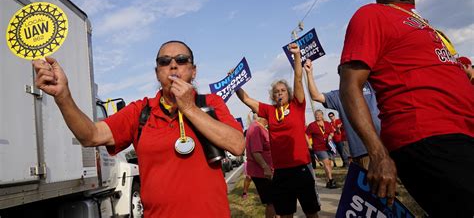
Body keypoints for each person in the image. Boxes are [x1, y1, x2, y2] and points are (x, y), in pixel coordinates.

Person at [33, 40, 245, 217]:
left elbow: (237, 145)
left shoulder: (210, 103)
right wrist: (63, 96)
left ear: (193, 70)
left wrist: (189, 107)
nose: (173, 66)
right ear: (157, 72)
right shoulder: (140, 111)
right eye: (164, 62)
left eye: (181, 60)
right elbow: (91, 136)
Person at [339, 0, 474, 216]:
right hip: (429, 139)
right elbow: (349, 86)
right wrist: (378, 154)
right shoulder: (370, 15)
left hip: (463, 133)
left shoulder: (421, 22)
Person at [236, 43, 320, 218]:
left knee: (311, 212)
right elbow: (248, 100)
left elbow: (298, 78)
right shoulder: (269, 111)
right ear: (272, 96)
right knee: (285, 214)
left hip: (301, 169)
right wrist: (235, 85)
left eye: (282, 90)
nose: (279, 93)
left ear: (288, 93)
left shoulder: (297, 105)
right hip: (280, 172)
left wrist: (297, 55)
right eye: (276, 92)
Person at [304, 59, 381, 169]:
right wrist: (309, 73)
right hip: (363, 150)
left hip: (387, 144)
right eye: (345, 72)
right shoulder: (338, 95)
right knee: (374, 185)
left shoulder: (371, 85)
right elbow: (316, 96)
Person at [245, 114, 276, 218]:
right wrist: (266, 168)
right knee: (272, 202)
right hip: (261, 172)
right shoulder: (256, 128)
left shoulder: (260, 127)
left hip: (266, 170)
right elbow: (256, 152)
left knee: (275, 201)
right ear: (264, 118)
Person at [306, 110, 337, 189]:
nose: (318, 116)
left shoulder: (326, 123)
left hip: (328, 146)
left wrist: (330, 135)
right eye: (316, 115)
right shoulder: (312, 125)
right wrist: (309, 144)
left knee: (329, 164)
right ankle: (331, 180)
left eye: (319, 114)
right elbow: (306, 134)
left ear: (322, 115)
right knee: (326, 163)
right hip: (319, 147)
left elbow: (332, 132)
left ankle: (327, 182)